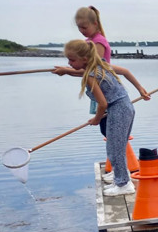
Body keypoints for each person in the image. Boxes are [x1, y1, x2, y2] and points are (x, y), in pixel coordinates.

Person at [62, 39, 151, 196]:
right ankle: (121, 179)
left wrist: (96, 119)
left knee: (115, 148)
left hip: (118, 110)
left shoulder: (91, 75)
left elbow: (102, 103)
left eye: (72, 60)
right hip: (125, 107)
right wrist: (67, 71)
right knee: (116, 147)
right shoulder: (101, 65)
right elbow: (124, 72)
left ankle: (124, 184)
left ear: (84, 59)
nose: (69, 63)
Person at [53, 7, 112, 136]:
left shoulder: (98, 42)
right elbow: (85, 70)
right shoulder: (87, 43)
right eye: (79, 28)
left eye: (84, 28)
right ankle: (115, 154)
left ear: (95, 24)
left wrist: (67, 71)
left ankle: (119, 155)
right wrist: (67, 69)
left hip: (104, 89)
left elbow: (95, 71)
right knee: (105, 130)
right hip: (97, 88)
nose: (81, 31)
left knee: (108, 129)